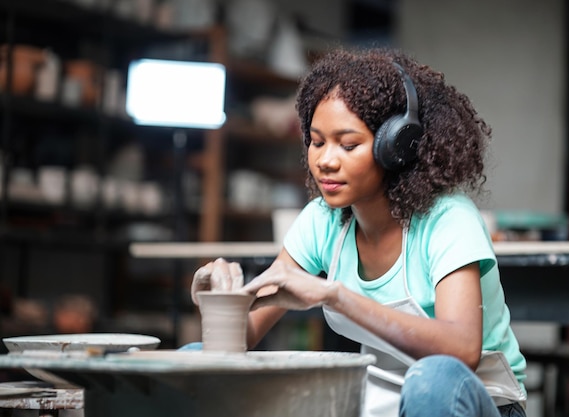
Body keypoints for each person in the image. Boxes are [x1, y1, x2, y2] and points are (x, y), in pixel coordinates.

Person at [190, 47, 527, 417]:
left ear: (397, 146)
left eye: (348, 145)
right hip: (382, 404)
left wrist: (335, 295)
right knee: (190, 360)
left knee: (432, 380)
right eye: (317, 142)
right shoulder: (322, 221)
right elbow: (241, 339)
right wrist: (219, 300)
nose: (325, 160)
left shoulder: (447, 219)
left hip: (478, 399)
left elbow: (462, 350)